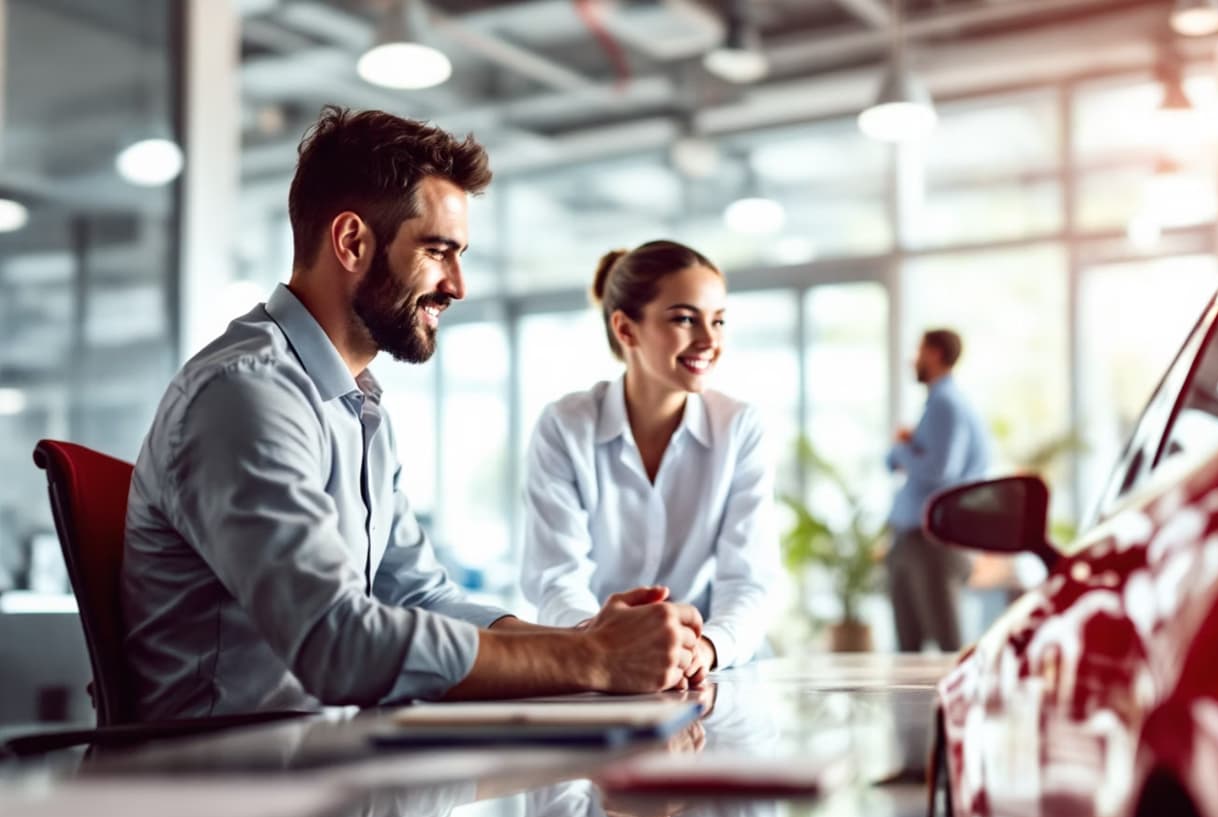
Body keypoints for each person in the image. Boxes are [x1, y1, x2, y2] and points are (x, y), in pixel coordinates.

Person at [120, 108, 703, 721]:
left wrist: (588, 642)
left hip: (328, 766)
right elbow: (337, 644)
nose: (458, 285)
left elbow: (421, 595)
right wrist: (592, 659)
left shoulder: (354, 404)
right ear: (351, 242)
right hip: (226, 790)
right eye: (438, 251)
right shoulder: (247, 396)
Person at [519, 240, 779, 683]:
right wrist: (605, 648)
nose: (710, 340)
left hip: (714, 667)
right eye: (684, 319)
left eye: (718, 321)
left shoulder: (739, 428)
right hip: (600, 665)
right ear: (626, 330)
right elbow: (556, 579)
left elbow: (748, 581)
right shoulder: (565, 426)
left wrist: (706, 649)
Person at [885, 328, 991, 652]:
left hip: (931, 543)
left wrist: (903, 448)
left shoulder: (947, 404)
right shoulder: (936, 404)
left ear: (935, 354)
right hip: (913, 539)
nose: (913, 359)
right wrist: (905, 449)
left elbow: (940, 471)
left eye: (919, 351)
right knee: (910, 650)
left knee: (944, 647)